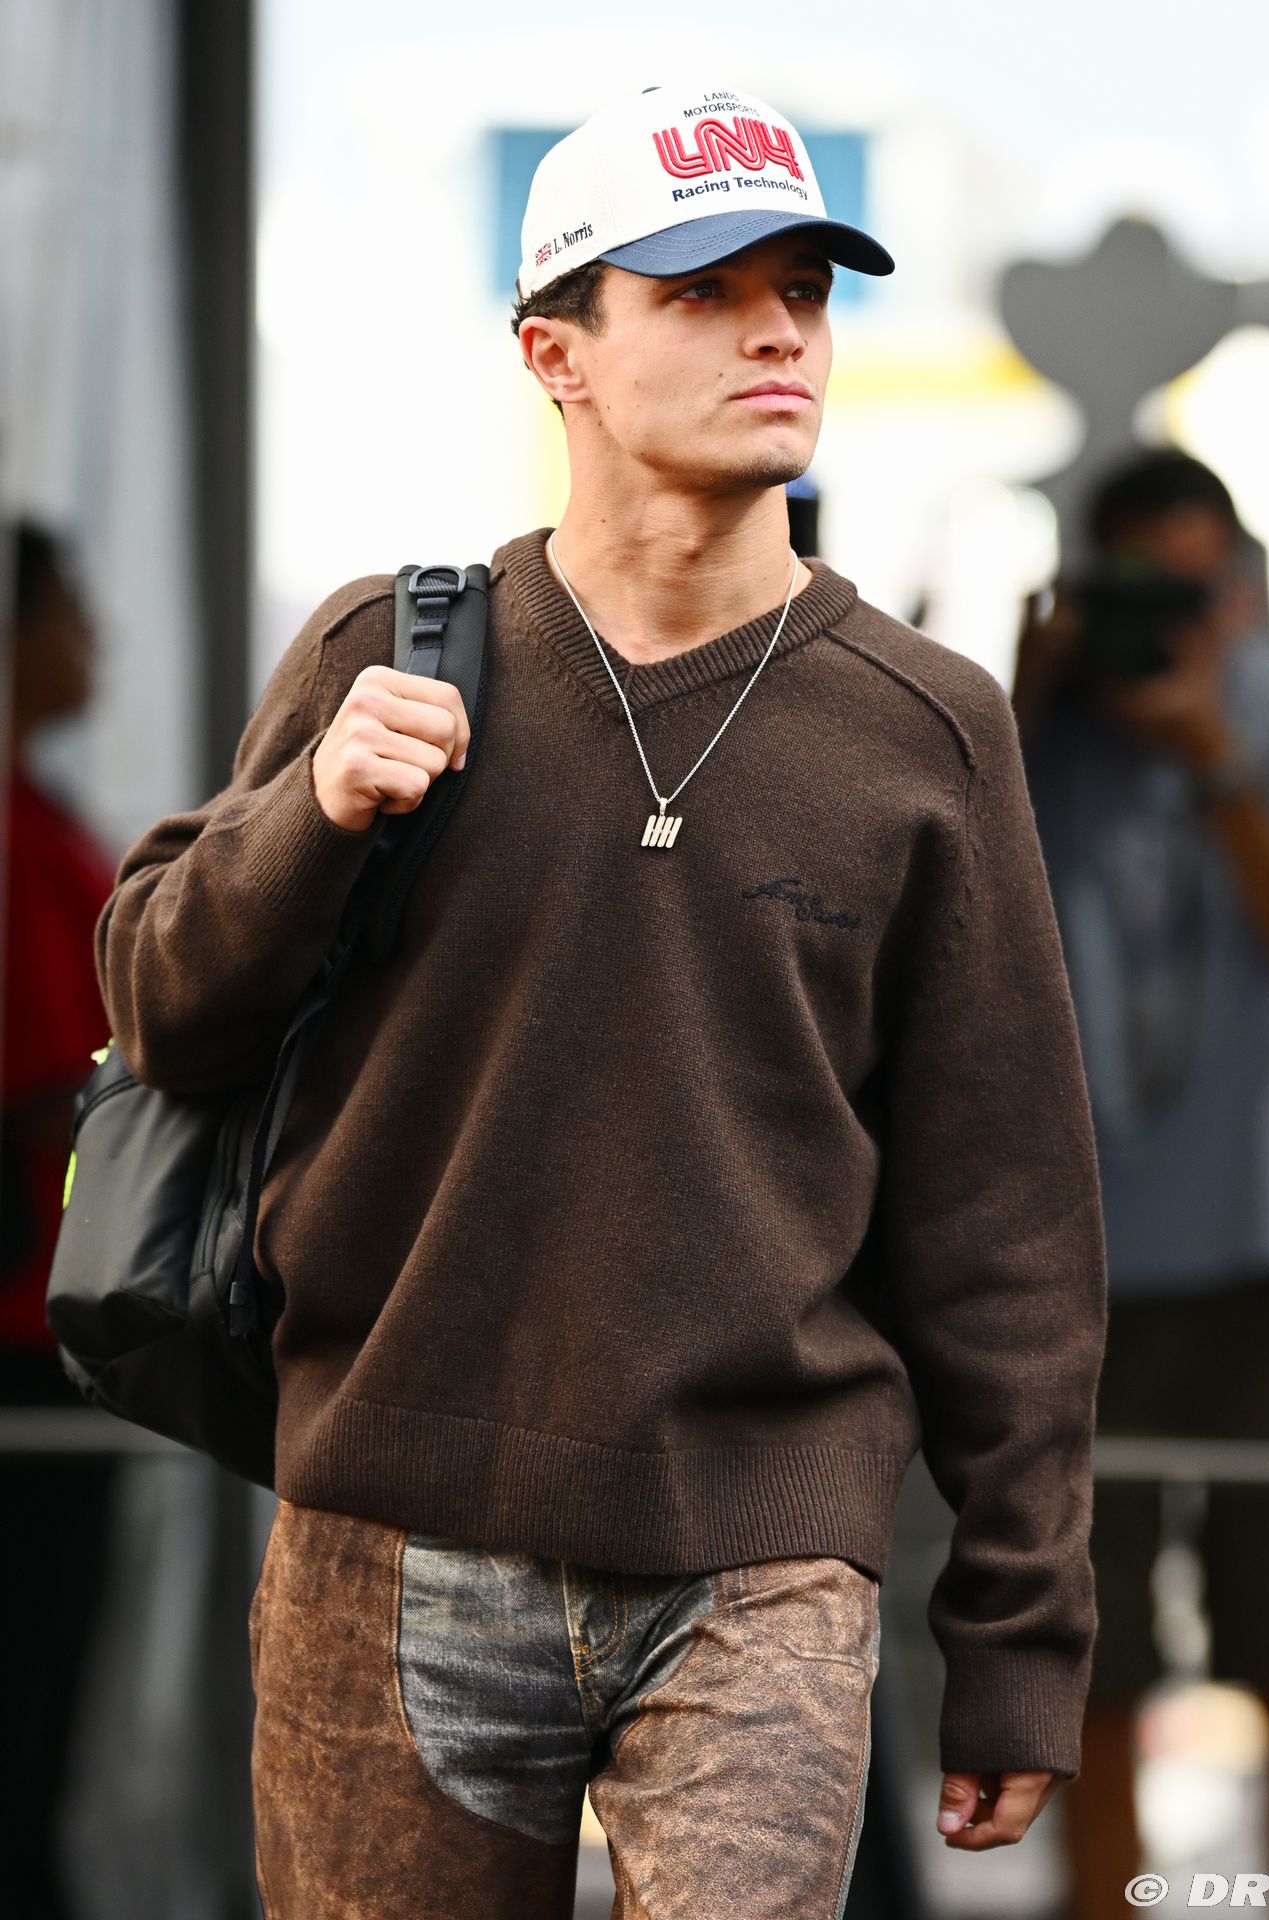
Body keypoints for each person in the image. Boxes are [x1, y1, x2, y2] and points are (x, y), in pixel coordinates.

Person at [94, 82, 1107, 1918]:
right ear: (555, 351)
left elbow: (1009, 1228)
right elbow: (161, 1010)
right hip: (387, 1532)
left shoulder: (929, 728)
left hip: (766, 1559)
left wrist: (1020, 1637)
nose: (779, 331)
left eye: (804, 288)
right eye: (705, 291)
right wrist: (313, 814)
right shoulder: (383, 652)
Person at [1012, 449, 1269, 1915]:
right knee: (1082, 1639)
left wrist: (1219, 763)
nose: (1166, 624)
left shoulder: (1268, 712)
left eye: (1192, 590)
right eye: (1136, 594)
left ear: (1238, 585)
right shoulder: (1033, 732)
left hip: (1257, 1249)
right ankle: (1103, 1907)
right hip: (1084, 1258)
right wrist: (1025, 688)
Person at [1, 521, 120, 1918]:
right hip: (21, 1331)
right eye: (69, 609)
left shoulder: (42, 814)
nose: (95, 640)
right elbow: (56, 1083)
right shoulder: (18, 839)